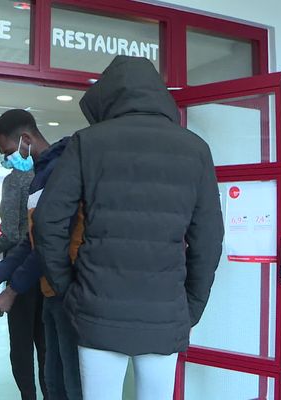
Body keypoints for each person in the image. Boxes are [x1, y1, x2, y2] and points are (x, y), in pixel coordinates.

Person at [32, 55, 225, 400]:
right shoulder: (196, 149)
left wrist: (68, 289)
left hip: (97, 308)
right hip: (165, 309)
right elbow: (208, 239)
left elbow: (47, 222)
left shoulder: (87, 143)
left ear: (109, 95)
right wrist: (191, 304)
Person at [0, 109, 83, 400]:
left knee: (67, 381)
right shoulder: (40, 175)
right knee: (54, 378)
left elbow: (49, 241)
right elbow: (33, 240)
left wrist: (13, 290)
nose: (8, 158)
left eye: (7, 150)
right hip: (47, 287)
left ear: (25, 139)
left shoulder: (60, 171)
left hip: (66, 289)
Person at [0, 167, 44, 399]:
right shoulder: (53, 177)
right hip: (47, 271)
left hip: (19, 269)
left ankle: (27, 396)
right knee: (47, 345)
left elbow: (9, 232)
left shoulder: (14, 179)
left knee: (21, 345)